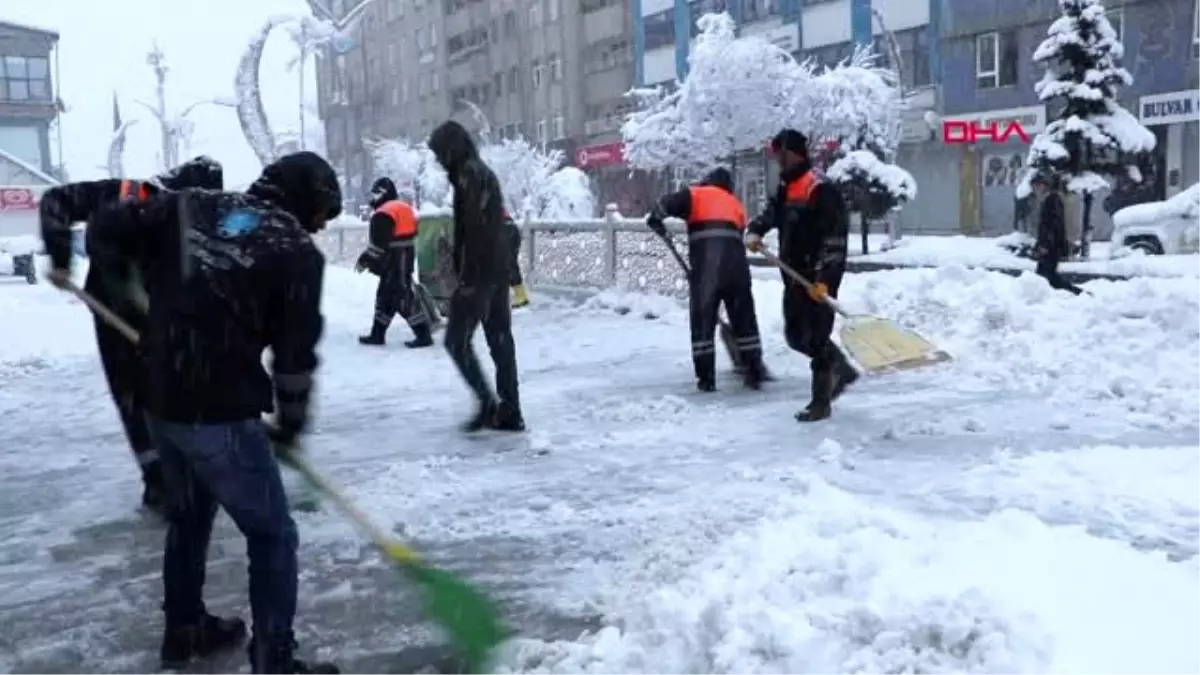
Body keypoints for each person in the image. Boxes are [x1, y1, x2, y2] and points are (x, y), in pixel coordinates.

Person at [85, 151, 342, 675]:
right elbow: (294, 359)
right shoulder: (294, 251)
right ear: (306, 200)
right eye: (322, 215)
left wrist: (129, 295)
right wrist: (291, 424)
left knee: (190, 517)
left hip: (160, 400)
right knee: (272, 535)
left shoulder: (190, 206)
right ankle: (274, 660)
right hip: (218, 413)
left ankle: (184, 632)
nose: (318, 228)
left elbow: (108, 224)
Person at [39, 156, 224, 514]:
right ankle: (158, 479)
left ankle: (193, 471)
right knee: (134, 396)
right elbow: (54, 201)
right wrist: (61, 258)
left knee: (177, 389)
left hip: (165, 312)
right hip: (114, 312)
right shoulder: (119, 193)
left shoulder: (199, 216)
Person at [746, 129, 858, 422]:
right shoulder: (788, 186)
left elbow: (835, 239)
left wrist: (825, 278)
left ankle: (820, 402)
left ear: (791, 152)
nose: (776, 161)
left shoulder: (820, 188)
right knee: (796, 337)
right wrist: (757, 229)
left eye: (779, 154)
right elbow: (773, 212)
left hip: (817, 278)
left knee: (818, 338)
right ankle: (841, 369)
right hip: (793, 276)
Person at [427, 120, 525, 432]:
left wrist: (468, 281)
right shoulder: (476, 173)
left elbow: (476, 231)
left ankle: (488, 404)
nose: (439, 161)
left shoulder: (470, 176)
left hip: (479, 274)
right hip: (494, 270)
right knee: (500, 341)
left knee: (456, 341)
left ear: (451, 149)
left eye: (441, 153)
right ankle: (510, 410)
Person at [646, 167, 768, 391]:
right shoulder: (735, 204)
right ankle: (754, 369)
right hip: (736, 270)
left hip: (708, 271)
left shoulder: (695, 194)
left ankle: (706, 378)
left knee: (703, 322)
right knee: (744, 319)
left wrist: (656, 217)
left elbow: (665, 205)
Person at [355, 176, 434, 348]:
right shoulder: (403, 207)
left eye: (376, 193)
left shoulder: (383, 213)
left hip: (393, 262)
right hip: (404, 259)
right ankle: (377, 335)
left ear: (383, 193)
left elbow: (378, 245)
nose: (373, 198)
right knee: (385, 297)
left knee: (402, 299)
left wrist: (364, 261)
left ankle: (424, 335)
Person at [1030, 173, 1083, 296]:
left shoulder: (1052, 200)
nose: (1035, 190)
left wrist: (1045, 245)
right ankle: (1075, 294)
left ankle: (1077, 294)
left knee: (1046, 278)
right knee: (1048, 278)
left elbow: (1054, 225)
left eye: (1037, 186)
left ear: (1044, 186)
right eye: (1034, 187)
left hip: (1052, 247)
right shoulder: (1048, 200)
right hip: (1049, 246)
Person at [504, 208, 530, 308]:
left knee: (509, 265)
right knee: (509, 265)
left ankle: (521, 296)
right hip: (510, 230)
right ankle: (520, 295)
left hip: (506, 230)